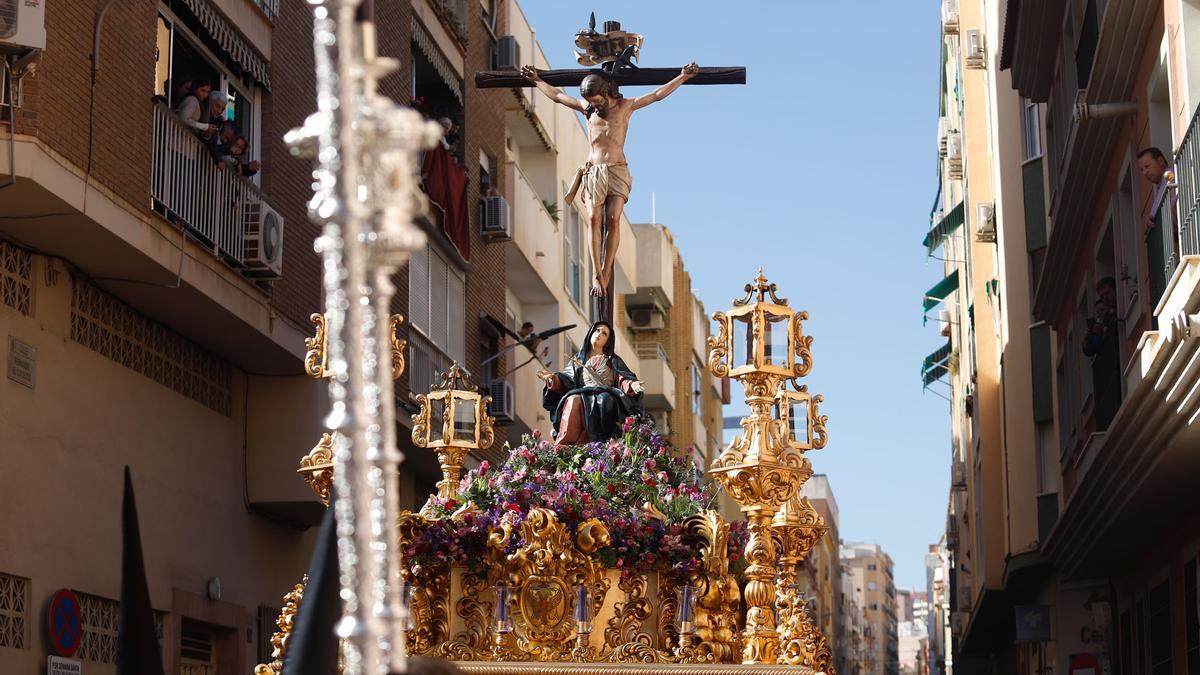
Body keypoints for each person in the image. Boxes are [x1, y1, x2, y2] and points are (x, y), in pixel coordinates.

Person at [521, 62, 699, 297]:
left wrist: (682, 77)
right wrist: (537, 80)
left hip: (617, 170)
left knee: (614, 219)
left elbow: (657, 95)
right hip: (595, 171)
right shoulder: (587, 109)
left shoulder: (625, 107)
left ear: (605, 93)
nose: (593, 106)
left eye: (596, 100)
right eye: (590, 101)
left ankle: (605, 272)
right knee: (594, 219)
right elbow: (557, 96)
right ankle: (596, 273)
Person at [538, 321, 644, 449]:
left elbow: (622, 378)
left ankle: (602, 444)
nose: (599, 334)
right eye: (597, 330)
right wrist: (553, 379)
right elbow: (567, 379)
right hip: (583, 393)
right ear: (591, 333)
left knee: (605, 400)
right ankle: (564, 445)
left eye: (604, 333)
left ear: (608, 340)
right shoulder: (578, 360)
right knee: (572, 399)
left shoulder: (612, 360)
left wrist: (632, 385)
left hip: (606, 394)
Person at [1082, 277, 1122, 431]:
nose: (1105, 298)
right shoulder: (1102, 320)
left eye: (1108, 293)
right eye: (1102, 296)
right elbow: (1090, 349)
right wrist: (1088, 339)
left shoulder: (1115, 311)